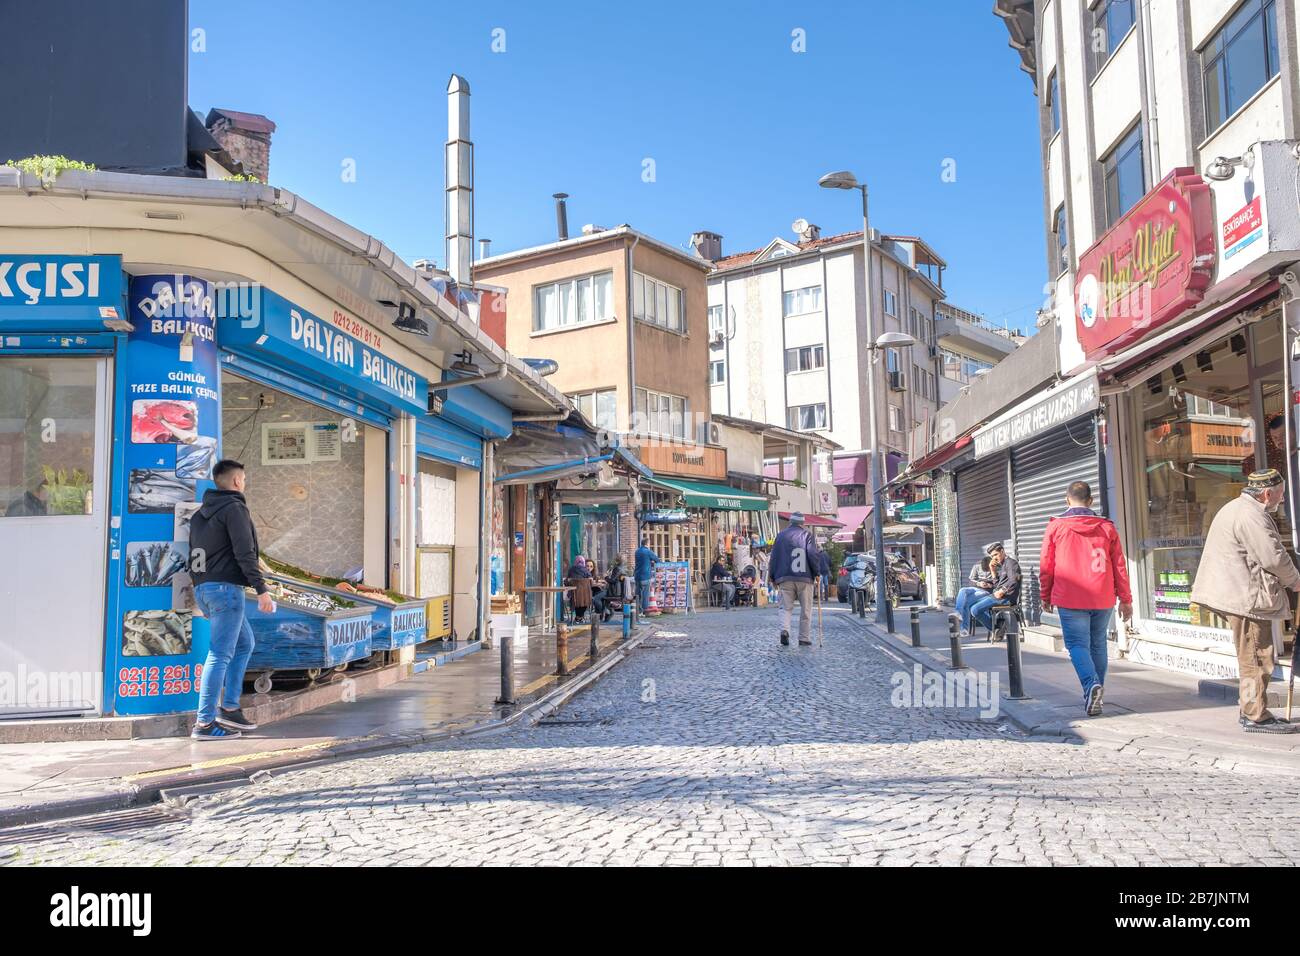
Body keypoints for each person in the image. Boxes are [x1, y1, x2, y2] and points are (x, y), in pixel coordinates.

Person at [1191, 468, 1300, 734]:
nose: (1282, 499)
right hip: (1245, 596)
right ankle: (1255, 715)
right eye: (1280, 494)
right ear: (1267, 493)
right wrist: (1296, 580)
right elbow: (1272, 556)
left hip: (1238, 592)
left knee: (1252, 654)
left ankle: (1250, 709)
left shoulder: (1237, 508)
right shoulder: (1252, 516)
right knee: (1256, 656)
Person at [188, 459, 273, 740]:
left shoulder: (201, 514)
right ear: (237, 482)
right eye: (244, 480)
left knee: (244, 643)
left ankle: (231, 707)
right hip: (225, 590)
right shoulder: (235, 509)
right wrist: (261, 589)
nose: (244, 484)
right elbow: (244, 552)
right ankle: (204, 723)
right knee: (220, 654)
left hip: (205, 589)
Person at [1040, 480, 1133, 717]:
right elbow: (1119, 566)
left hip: (1070, 597)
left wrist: (1045, 595)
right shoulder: (1107, 527)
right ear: (1091, 501)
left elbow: (1047, 566)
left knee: (1077, 645)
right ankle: (1096, 693)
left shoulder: (1056, 527)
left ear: (1066, 499)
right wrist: (1126, 598)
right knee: (1098, 644)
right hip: (1102, 597)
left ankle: (1091, 686)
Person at [770, 512, 828, 646]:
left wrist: (773, 576)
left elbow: (774, 557)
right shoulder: (807, 535)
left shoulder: (781, 536)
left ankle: (785, 630)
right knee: (806, 609)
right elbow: (813, 555)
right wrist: (817, 573)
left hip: (785, 577)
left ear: (790, 522)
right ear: (802, 523)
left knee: (785, 607)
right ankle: (804, 637)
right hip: (805, 577)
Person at [968, 542, 1020, 636]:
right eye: (992, 556)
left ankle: (997, 628)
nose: (994, 558)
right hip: (998, 596)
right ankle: (998, 627)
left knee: (975, 610)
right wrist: (992, 570)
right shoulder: (1002, 564)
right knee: (972, 605)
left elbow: (1014, 580)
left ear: (1002, 551)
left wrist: (1002, 591)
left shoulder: (1011, 563)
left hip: (1006, 598)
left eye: (996, 554)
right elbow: (997, 585)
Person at [955, 557, 996, 637]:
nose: (987, 572)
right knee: (962, 590)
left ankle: (964, 630)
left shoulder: (996, 567)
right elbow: (970, 581)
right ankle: (958, 612)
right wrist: (978, 584)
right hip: (976, 588)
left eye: (988, 570)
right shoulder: (977, 565)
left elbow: (999, 584)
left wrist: (989, 585)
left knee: (966, 603)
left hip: (986, 592)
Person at [634, 535, 659, 613]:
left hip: (637, 575)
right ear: (647, 543)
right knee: (645, 595)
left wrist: (648, 561)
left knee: (638, 595)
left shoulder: (637, 551)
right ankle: (643, 611)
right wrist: (651, 561)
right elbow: (657, 560)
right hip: (645, 576)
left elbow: (641, 561)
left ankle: (638, 611)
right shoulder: (648, 551)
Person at [565, 555, 594, 623]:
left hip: (573, 595)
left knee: (577, 600)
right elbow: (591, 582)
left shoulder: (571, 569)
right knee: (585, 601)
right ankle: (579, 617)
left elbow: (567, 581)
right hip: (585, 596)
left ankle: (578, 617)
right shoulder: (585, 570)